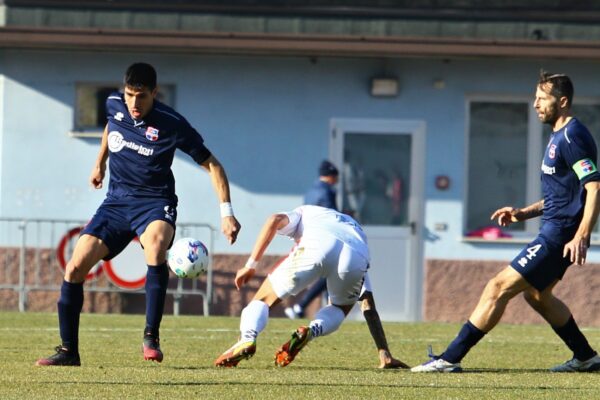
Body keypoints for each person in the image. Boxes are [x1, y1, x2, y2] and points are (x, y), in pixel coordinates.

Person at [36, 62, 241, 366]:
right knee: (75, 266)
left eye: (141, 96)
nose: (134, 103)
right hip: (116, 202)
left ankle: (151, 337)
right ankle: (69, 351)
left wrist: (226, 212)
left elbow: (213, 165)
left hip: (155, 203)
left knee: (156, 246)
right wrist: (99, 163)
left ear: (154, 93)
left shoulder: (172, 123)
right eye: (130, 95)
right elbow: (111, 126)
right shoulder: (114, 104)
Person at [412, 71, 600, 373]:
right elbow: (566, 194)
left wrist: (582, 234)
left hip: (558, 236)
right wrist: (524, 213)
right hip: (555, 229)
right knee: (538, 295)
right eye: (535, 98)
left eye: (542, 99)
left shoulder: (572, 136)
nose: (535, 104)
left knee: (497, 286)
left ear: (562, 101)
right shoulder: (557, 136)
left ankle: (450, 358)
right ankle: (586, 357)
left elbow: (594, 187)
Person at [214, 205, 372, 368]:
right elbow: (367, 297)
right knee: (340, 308)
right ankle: (311, 331)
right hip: (357, 254)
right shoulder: (355, 228)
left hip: (317, 245)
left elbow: (273, 220)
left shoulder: (304, 212)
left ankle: (247, 338)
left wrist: (250, 265)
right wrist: (384, 352)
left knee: (263, 299)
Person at [284, 161, 407, 368]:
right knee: (361, 301)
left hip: (313, 247)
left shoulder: (309, 195)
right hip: (345, 248)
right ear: (331, 175)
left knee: (329, 287)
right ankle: (383, 354)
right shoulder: (329, 194)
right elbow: (332, 220)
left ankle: (296, 309)